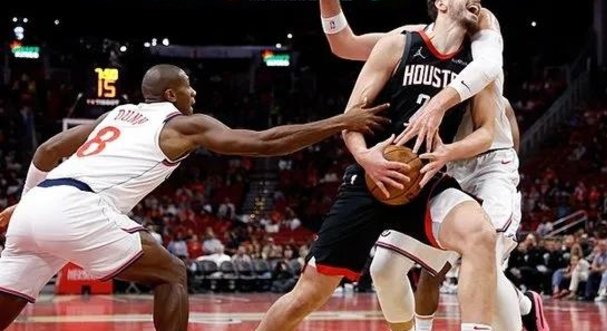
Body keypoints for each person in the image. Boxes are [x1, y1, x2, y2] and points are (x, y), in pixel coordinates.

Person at [0, 64, 387, 331]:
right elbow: (265, 142)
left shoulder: (114, 115)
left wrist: (27, 201)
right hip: (76, 206)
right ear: (171, 94)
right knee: (171, 274)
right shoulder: (182, 124)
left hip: (35, 207)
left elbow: (47, 150)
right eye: (188, 85)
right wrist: (340, 121)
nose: (194, 91)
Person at [296, 0, 544, 331]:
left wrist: (440, 104)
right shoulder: (414, 37)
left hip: (487, 159)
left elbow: (488, 66)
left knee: (484, 256)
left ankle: (524, 312)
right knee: (385, 266)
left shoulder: (481, 21)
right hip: (439, 165)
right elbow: (344, 45)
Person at [257, 0, 499, 331]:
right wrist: (365, 156)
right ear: (442, 3)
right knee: (308, 293)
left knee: (480, 233)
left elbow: (487, 132)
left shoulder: (476, 65)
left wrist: (448, 152)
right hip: (372, 178)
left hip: (426, 180)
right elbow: (352, 116)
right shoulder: (398, 45)